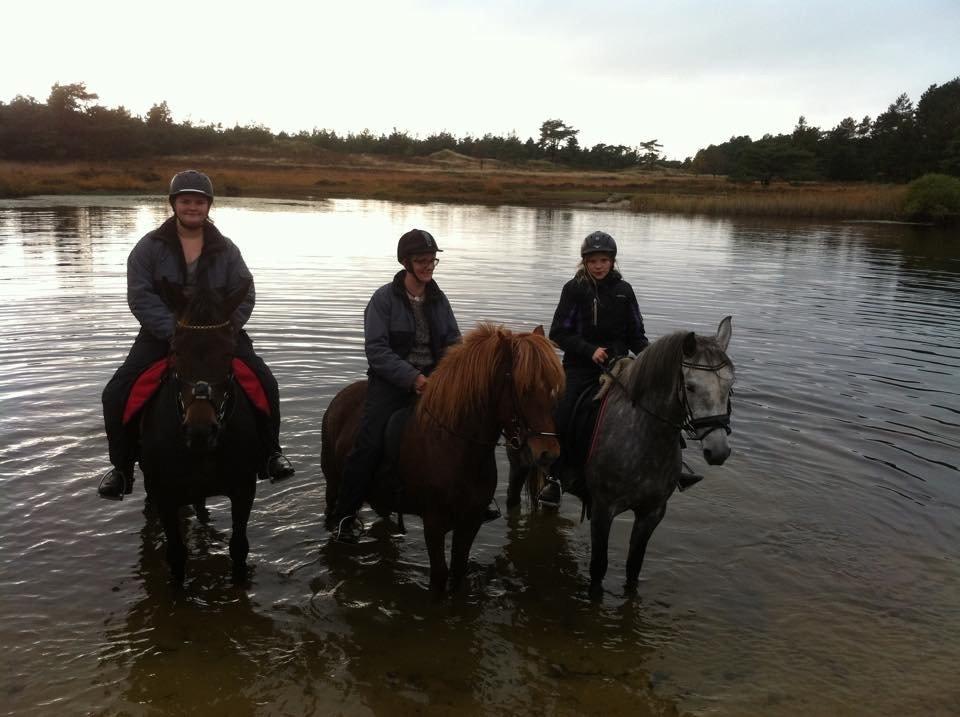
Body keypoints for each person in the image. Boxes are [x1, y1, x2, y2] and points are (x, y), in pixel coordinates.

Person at [97, 170, 294, 499]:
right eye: (185, 201)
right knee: (116, 391)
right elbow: (140, 296)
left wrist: (227, 329)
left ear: (208, 206)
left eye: (199, 202)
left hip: (218, 333)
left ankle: (270, 453)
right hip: (164, 335)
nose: (192, 207)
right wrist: (174, 331)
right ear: (174, 204)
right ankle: (121, 469)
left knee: (265, 380)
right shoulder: (148, 248)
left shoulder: (227, 249)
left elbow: (244, 293)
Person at [326, 228, 498, 543]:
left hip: (435, 380)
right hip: (391, 383)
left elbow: (452, 343)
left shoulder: (438, 298)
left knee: (470, 427)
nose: (428, 267)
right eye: (422, 261)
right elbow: (377, 350)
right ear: (406, 262)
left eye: (432, 261)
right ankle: (345, 514)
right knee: (369, 442)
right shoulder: (383, 299)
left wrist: (448, 377)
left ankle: (476, 500)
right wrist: (413, 378)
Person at [538, 230, 649, 507]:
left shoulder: (624, 291)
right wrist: (590, 350)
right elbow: (558, 333)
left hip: (621, 367)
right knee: (562, 413)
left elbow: (636, 334)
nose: (598, 266)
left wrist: (651, 360)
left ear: (612, 261)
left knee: (653, 404)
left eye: (603, 260)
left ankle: (672, 465)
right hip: (580, 367)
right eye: (593, 261)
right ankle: (555, 478)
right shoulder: (574, 289)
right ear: (584, 263)